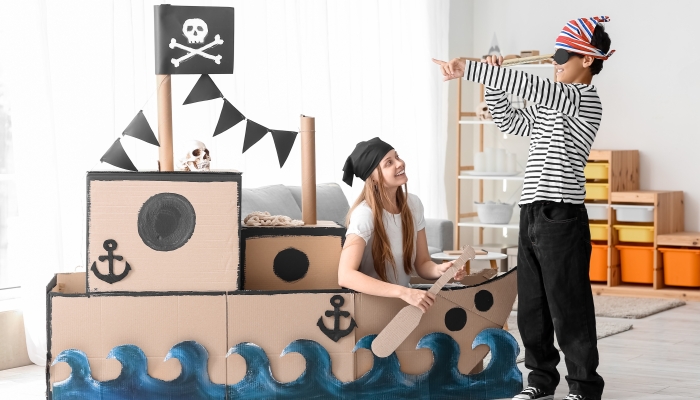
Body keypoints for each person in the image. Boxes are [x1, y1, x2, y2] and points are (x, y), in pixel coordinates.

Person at [432, 16, 614, 400]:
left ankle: (584, 387)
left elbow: (533, 87)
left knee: (569, 304)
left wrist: (471, 68)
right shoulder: (552, 107)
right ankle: (540, 381)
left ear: (587, 59)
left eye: (563, 55)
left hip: (561, 214)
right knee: (533, 305)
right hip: (531, 212)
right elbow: (511, 122)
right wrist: (489, 83)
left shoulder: (581, 100)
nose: (556, 62)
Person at [338, 137, 467, 313]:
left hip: (403, 304)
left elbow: (422, 263)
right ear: (373, 178)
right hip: (371, 308)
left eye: (397, 157)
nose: (399, 163)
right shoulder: (364, 215)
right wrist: (403, 292)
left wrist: (440, 270)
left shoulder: (413, 205)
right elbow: (345, 276)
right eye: (389, 162)